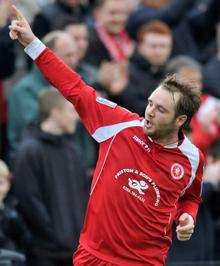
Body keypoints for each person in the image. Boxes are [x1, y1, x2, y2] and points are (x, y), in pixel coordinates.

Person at [9, 6, 204, 266]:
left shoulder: (192, 159)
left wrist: (188, 217)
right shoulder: (120, 125)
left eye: (160, 110)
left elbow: (190, 197)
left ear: (180, 120)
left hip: (146, 261)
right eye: (149, 103)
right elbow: (75, 88)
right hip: (94, 257)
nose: (149, 112)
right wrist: (32, 44)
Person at [12, 89, 90, 266]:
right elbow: (29, 201)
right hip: (44, 254)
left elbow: (84, 195)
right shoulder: (29, 152)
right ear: (55, 113)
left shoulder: (72, 150)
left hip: (76, 251)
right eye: (71, 111)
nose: (76, 118)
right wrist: (55, 236)